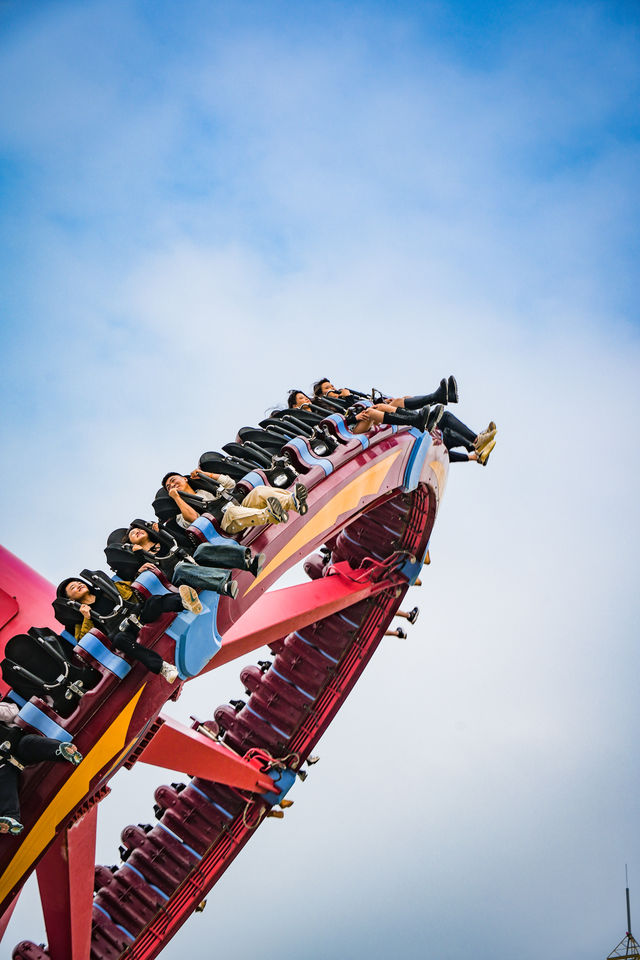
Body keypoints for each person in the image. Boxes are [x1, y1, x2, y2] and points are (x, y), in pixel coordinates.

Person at [54, 577, 186, 683]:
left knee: (153, 601)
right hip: (125, 633)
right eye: (73, 587)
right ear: (70, 600)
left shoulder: (108, 589)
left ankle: (185, 601)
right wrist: (87, 618)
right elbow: (86, 642)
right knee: (119, 640)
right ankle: (162, 667)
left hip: (139, 616)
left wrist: (137, 574)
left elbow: (131, 587)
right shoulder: (81, 622)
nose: (79, 585)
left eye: (79, 582)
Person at [107, 521, 261, 597]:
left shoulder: (164, 539)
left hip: (192, 562)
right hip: (179, 579)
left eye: (139, 529)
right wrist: (139, 562)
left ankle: (248, 562)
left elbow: (185, 542)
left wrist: (163, 530)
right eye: (133, 534)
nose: (137, 532)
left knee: (201, 549)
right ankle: (224, 586)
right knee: (180, 568)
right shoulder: (139, 560)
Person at [0, 700, 82, 836]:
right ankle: (11, 819)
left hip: (19, 746)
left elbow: (12, 711)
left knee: (30, 743)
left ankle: (61, 751)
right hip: (5, 768)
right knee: (4, 779)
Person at [162, 470, 309, 537]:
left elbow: (230, 484)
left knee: (258, 491)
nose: (172, 485)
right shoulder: (181, 511)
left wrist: (207, 474)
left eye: (174, 480)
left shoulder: (204, 487)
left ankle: (293, 502)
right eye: (169, 487)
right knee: (232, 512)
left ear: (184, 479)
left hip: (238, 507)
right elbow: (194, 518)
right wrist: (176, 497)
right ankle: (270, 515)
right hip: (224, 527)